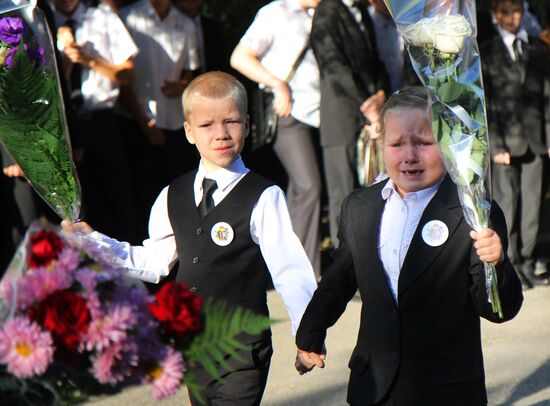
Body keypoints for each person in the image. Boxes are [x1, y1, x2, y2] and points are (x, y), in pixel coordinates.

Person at [63, 71, 318, 406]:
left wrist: (309, 333)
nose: (221, 134)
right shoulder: (172, 195)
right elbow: (155, 262)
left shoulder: (263, 195)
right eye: (207, 125)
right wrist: (93, 241)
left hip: (242, 349)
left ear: (248, 123)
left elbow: (289, 269)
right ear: (188, 131)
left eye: (231, 121)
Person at [294, 87, 523, 406]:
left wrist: (496, 263)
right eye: (397, 144)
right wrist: (309, 335)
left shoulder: (473, 212)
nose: (409, 155)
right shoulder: (359, 207)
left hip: (446, 389)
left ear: (445, 144)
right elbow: (339, 279)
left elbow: (499, 310)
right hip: (375, 387)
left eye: (424, 143)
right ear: (381, 144)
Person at [230, 0, 323, 278]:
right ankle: (306, 271)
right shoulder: (275, 12)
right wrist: (276, 83)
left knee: (299, 190)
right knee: (309, 186)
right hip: (287, 111)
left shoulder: (323, 12)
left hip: (319, 110)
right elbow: (240, 57)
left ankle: (287, 264)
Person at [52, 0, 138, 242]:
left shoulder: (103, 17)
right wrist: (66, 58)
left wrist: (90, 60)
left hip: (101, 121)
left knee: (116, 199)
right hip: (62, 122)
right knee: (74, 208)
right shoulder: (41, 19)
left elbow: (129, 75)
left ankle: (120, 270)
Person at [480, 0, 550, 288]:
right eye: (506, 12)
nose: (513, 18)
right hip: (505, 142)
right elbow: (488, 102)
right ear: (496, 16)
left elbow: (547, 94)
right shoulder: (487, 52)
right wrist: (495, 145)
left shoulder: (538, 48)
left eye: (517, 11)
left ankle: (529, 259)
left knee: (532, 202)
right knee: (507, 203)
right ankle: (510, 264)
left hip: (535, 140)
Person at [310, 0, 390, 248]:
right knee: (342, 195)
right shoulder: (327, 11)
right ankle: (343, 265)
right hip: (341, 117)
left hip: (371, 113)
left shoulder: (364, 12)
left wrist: (381, 94)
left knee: (374, 190)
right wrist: (370, 107)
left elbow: (375, 61)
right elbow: (334, 68)